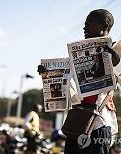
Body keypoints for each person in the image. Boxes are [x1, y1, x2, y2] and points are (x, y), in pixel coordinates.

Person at [38, 9, 121, 154]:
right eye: (85, 24)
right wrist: (48, 74)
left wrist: (115, 62)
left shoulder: (116, 51)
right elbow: (67, 88)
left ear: (105, 26)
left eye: (89, 24)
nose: (84, 27)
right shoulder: (77, 54)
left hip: (99, 123)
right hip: (76, 123)